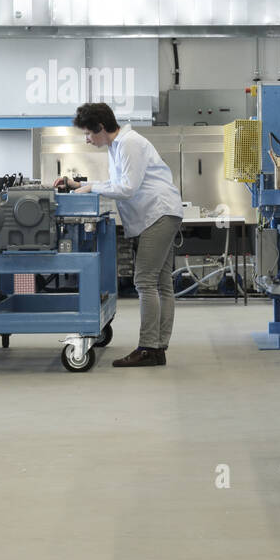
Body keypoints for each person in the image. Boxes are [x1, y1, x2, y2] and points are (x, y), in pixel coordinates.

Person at [57, 103, 183, 368]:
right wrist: (79, 185)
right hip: (158, 213)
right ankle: (158, 348)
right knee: (160, 283)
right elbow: (120, 183)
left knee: (145, 281)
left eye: (88, 134)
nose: (87, 139)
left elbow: (126, 188)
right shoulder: (118, 146)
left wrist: (91, 189)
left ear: (100, 127)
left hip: (157, 214)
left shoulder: (128, 143)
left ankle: (149, 347)